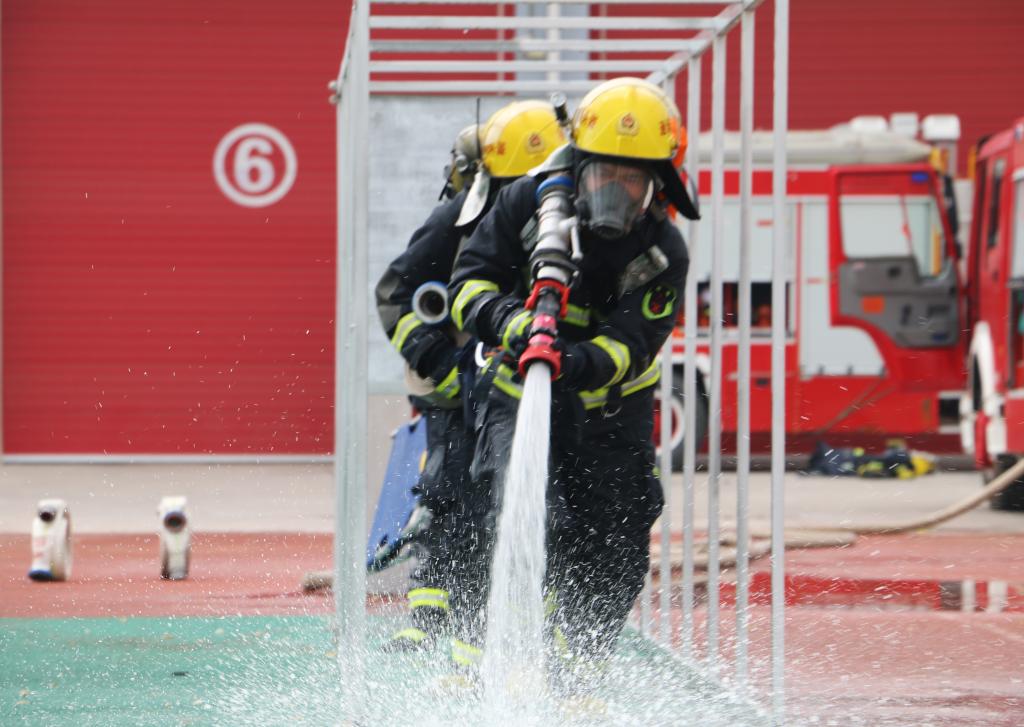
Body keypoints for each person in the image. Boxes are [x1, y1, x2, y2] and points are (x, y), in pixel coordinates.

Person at [447, 77, 698, 689]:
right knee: (526, 517)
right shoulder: (523, 207)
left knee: (618, 539)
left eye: (632, 179)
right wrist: (512, 325)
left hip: (612, 412)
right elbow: (467, 286)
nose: (614, 191)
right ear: (579, 165)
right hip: (518, 393)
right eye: (603, 174)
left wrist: (574, 362)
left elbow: (634, 342)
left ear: (656, 186)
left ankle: (577, 674)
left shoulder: (663, 251)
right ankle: (479, 665)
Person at [374, 101, 566, 653]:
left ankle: (518, 622)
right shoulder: (456, 218)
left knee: (516, 498)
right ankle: (432, 614)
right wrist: (439, 361)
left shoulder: (554, 213)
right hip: (457, 391)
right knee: (448, 491)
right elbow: (394, 292)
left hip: (514, 389)